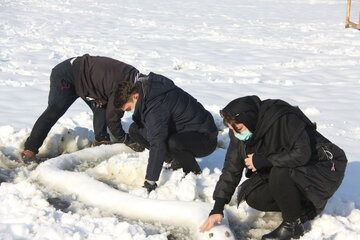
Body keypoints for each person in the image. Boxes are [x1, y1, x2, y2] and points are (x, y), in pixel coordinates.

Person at [200, 96, 347, 240]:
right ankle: (303, 209)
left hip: (324, 166)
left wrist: (265, 161)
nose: (235, 133)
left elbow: (302, 153)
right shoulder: (240, 133)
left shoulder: (283, 118)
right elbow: (231, 170)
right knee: (253, 194)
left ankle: (292, 225)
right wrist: (217, 208)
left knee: (279, 172)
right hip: (294, 169)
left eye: (238, 128)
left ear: (249, 119)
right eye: (231, 129)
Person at [21, 54, 144, 162]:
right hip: (67, 74)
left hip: (87, 82)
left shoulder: (133, 81)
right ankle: (29, 150)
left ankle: (101, 142)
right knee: (55, 110)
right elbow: (113, 117)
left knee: (101, 106)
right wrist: (125, 139)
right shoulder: (123, 86)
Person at [113, 73, 218, 192]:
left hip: (205, 137)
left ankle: (193, 171)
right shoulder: (145, 93)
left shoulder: (156, 105)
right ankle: (174, 160)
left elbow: (157, 142)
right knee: (135, 130)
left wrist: (150, 181)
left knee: (174, 142)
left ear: (135, 96)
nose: (129, 112)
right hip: (184, 130)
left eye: (128, 108)